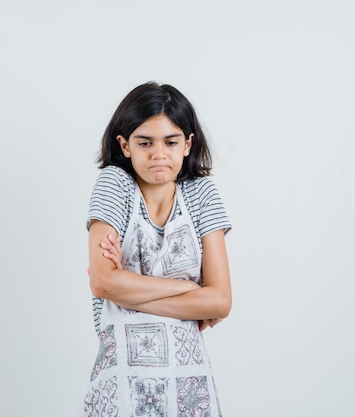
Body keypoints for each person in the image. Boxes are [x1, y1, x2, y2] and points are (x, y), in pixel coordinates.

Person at [77, 82, 232, 417]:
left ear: (188, 144)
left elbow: (220, 301)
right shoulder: (114, 185)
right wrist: (189, 291)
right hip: (121, 381)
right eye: (144, 142)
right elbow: (103, 283)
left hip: (189, 386)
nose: (158, 153)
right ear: (125, 145)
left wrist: (127, 291)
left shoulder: (202, 194)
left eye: (171, 141)